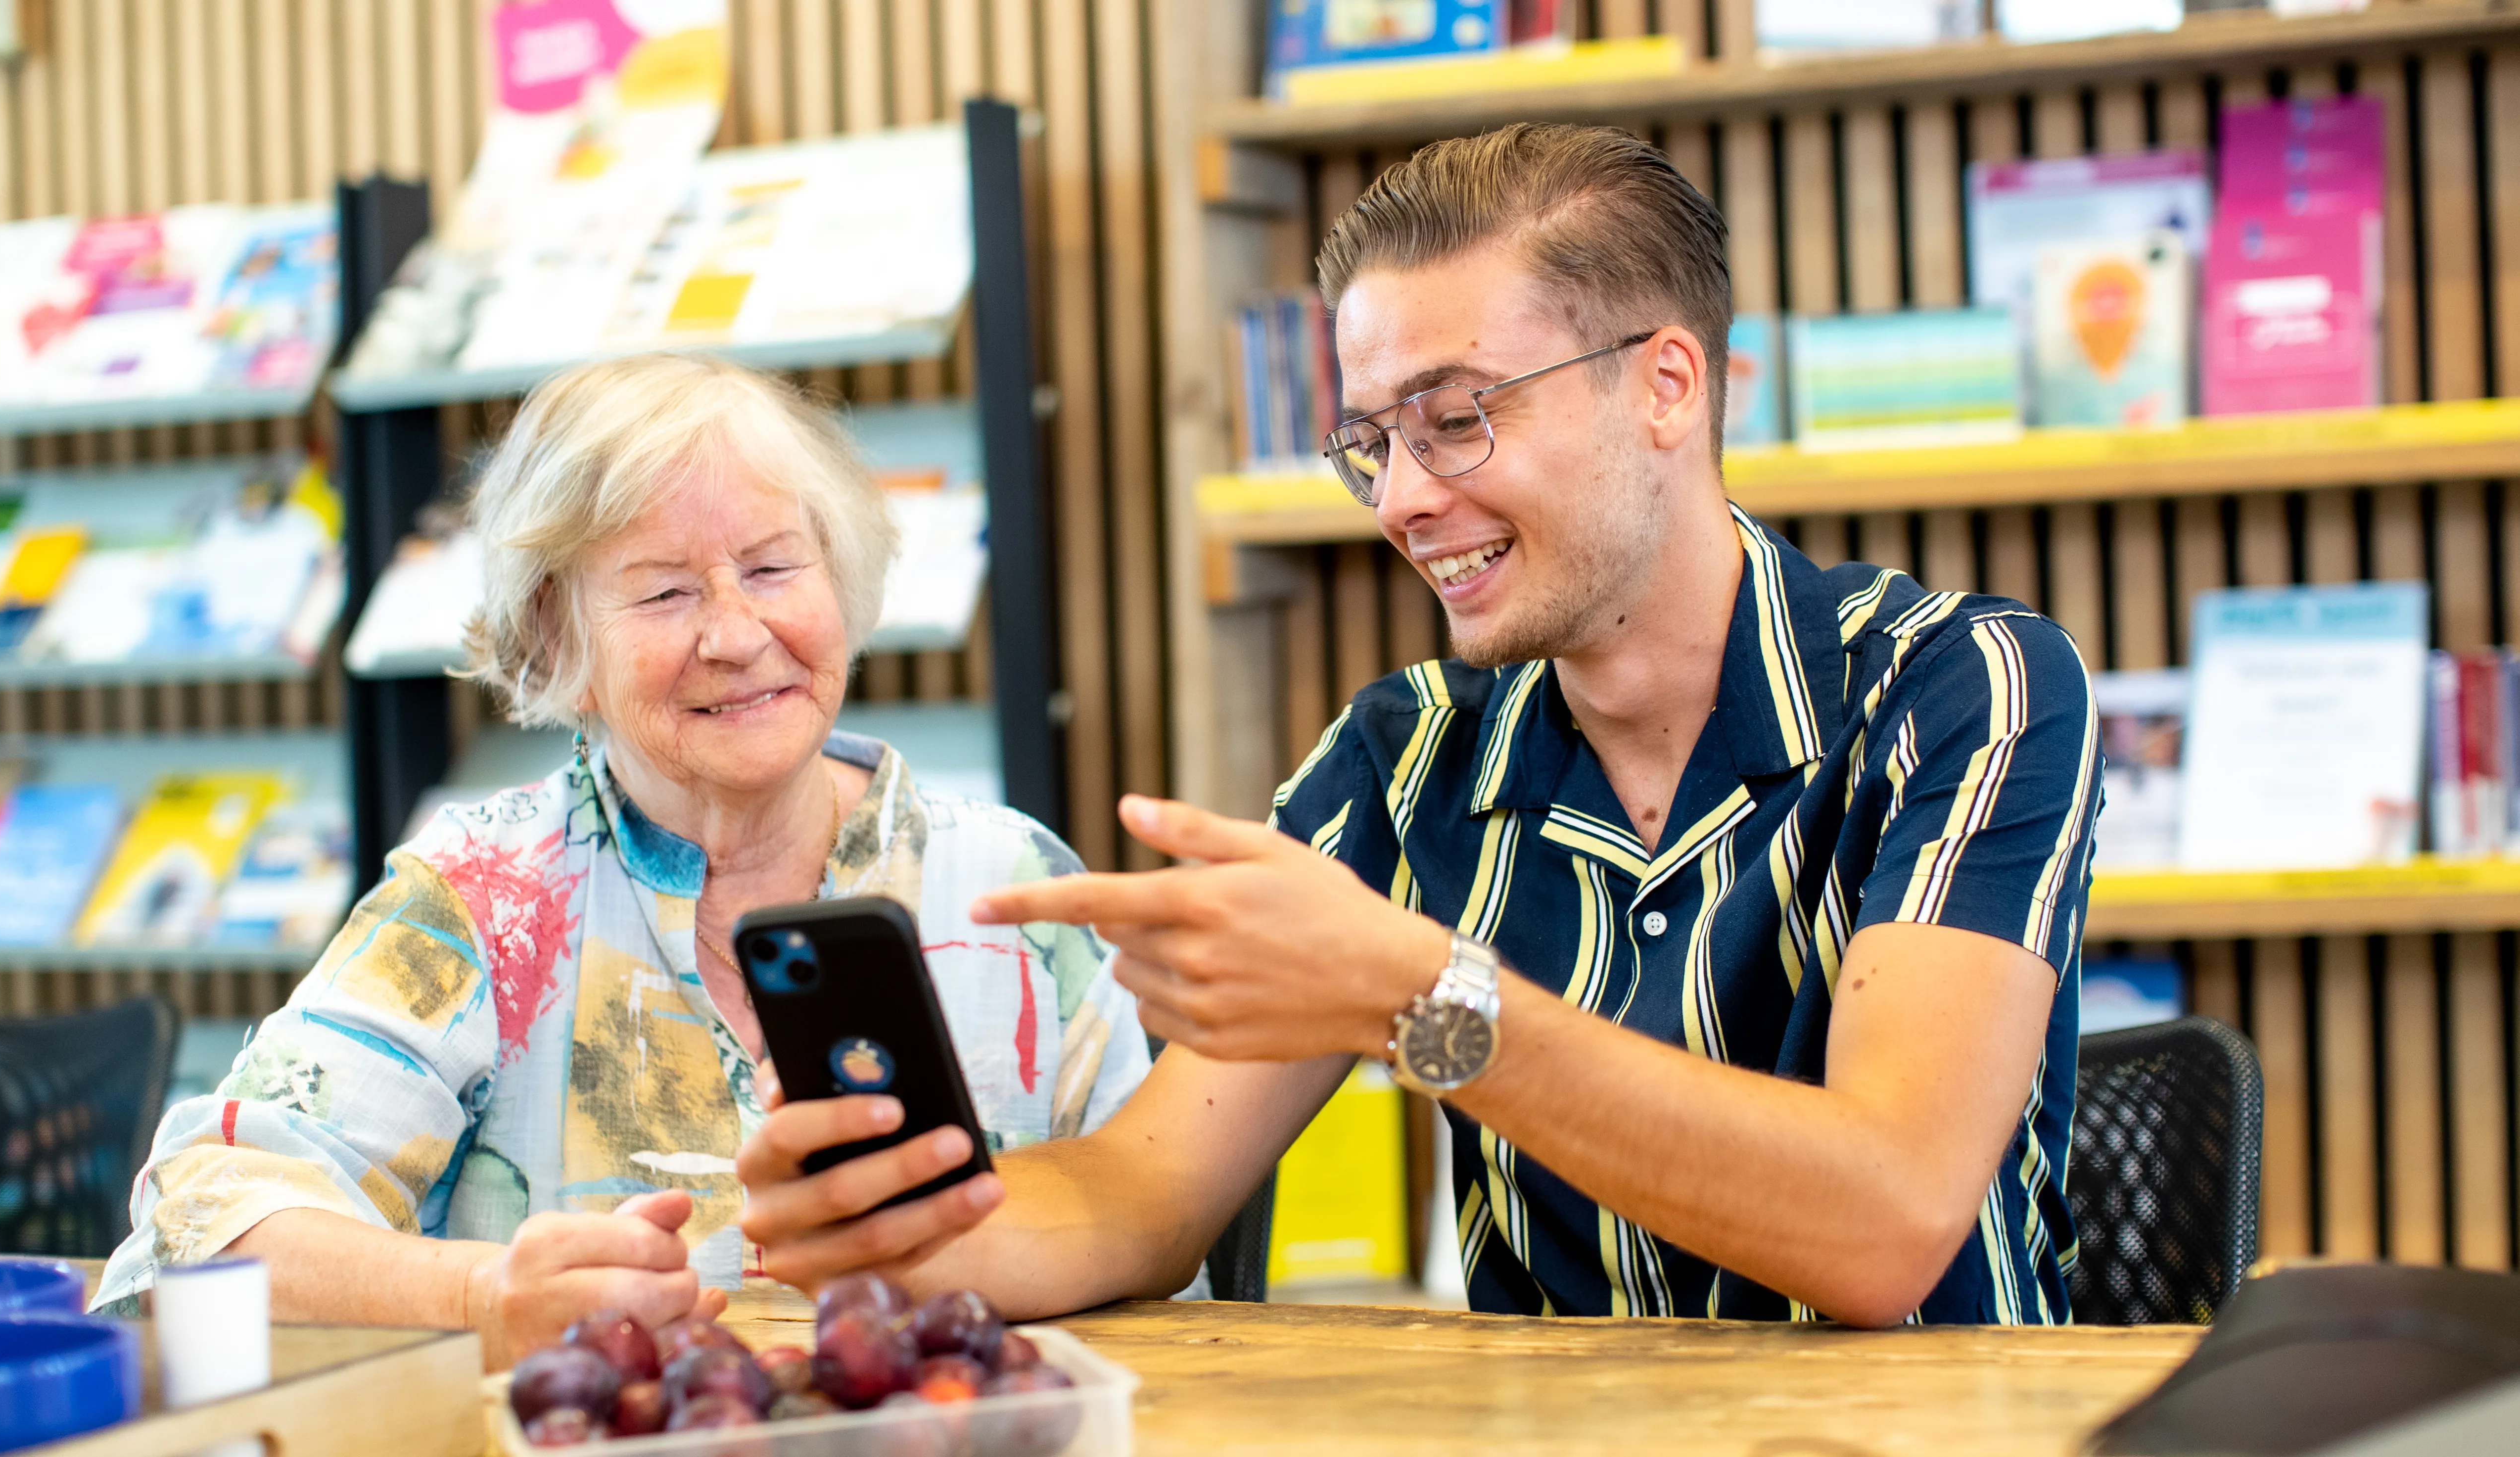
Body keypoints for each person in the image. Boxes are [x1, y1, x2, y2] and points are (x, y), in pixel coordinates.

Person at [735, 123, 2099, 1327]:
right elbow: (1149, 1190)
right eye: (1372, 443)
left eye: (1454, 420)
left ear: (1667, 385)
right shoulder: (1401, 758)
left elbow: (1884, 1227)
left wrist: (1419, 996)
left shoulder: (1964, 686)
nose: (1398, 501)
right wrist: (911, 1235)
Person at [91, 353, 1154, 1365]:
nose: (736, 633)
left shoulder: (1014, 887)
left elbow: (1159, 1240)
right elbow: (194, 1227)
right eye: (664, 593)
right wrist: (478, 1299)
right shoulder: (482, 896)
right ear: (559, 644)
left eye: (774, 566)